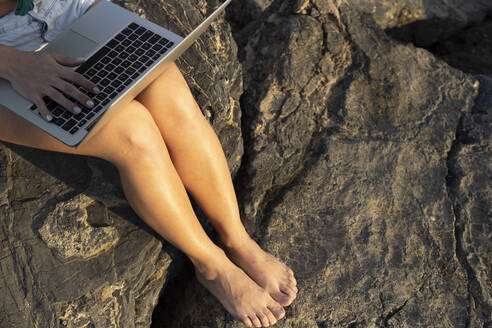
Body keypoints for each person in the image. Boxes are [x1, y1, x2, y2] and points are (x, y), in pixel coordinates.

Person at [0, 0, 298, 326]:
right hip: (7, 50)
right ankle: (212, 265)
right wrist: (14, 64)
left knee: (165, 86)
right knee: (131, 130)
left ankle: (238, 240)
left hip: (67, 9)